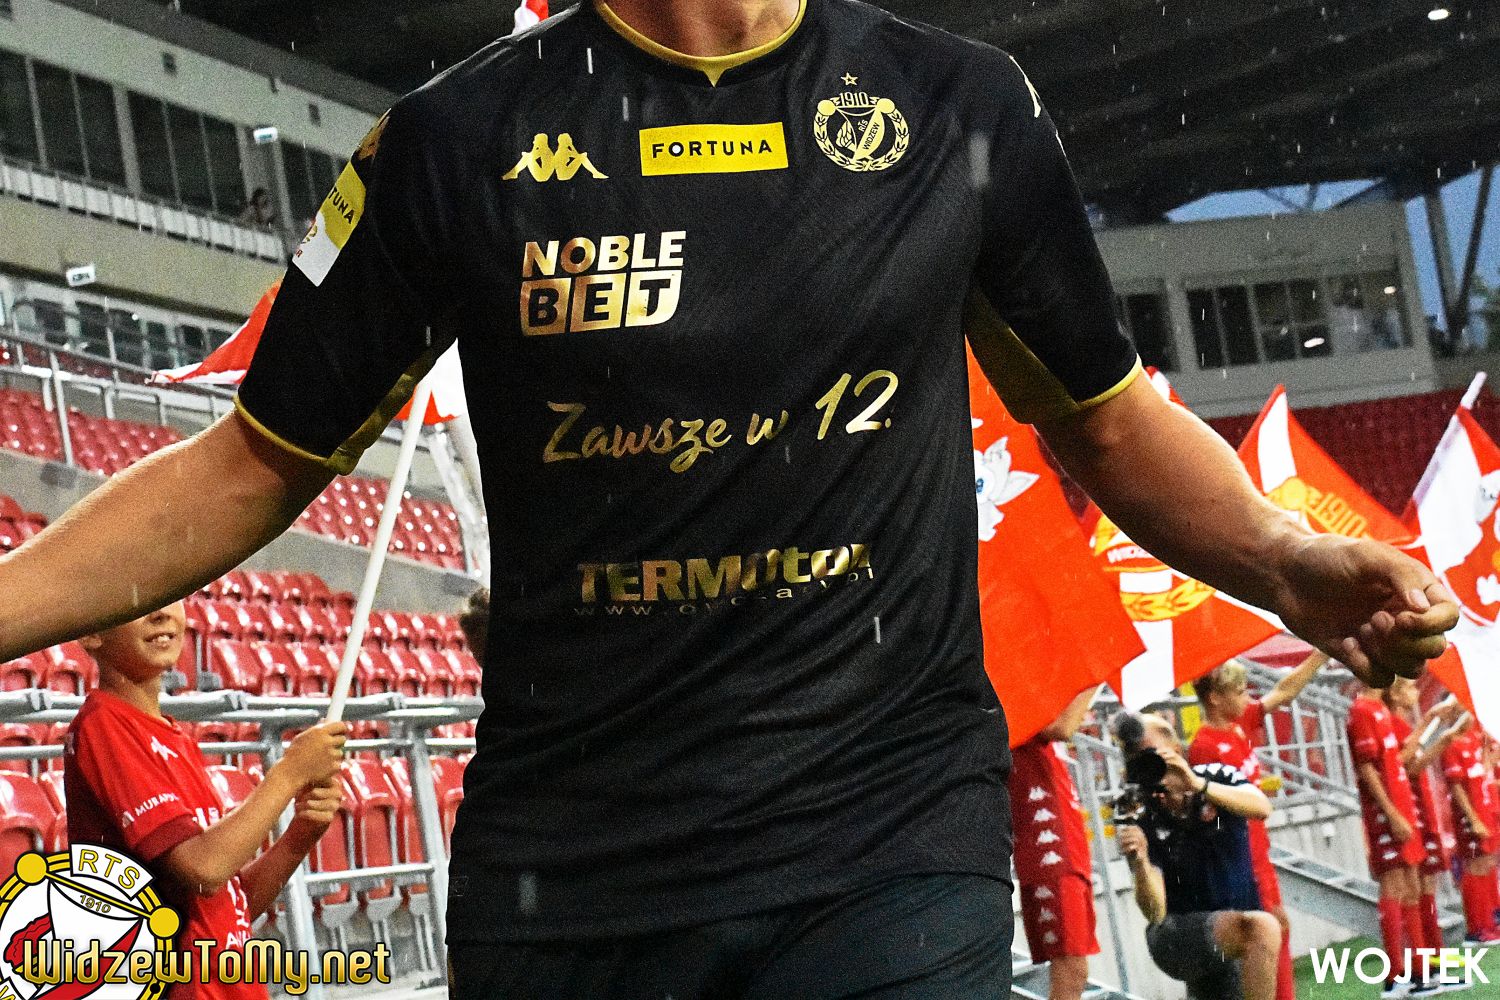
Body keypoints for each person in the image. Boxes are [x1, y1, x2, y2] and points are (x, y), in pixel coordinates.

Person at [0, 1, 1458, 996]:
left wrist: (1282, 557)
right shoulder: (458, 140)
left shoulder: (958, 107)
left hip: (888, 845)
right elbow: (251, 464)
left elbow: (1111, 420)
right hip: (575, 876)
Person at [63, 601, 347, 999]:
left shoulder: (175, 739)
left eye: (170, 597)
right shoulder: (105, 725)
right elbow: (204, 869)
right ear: (91, 633)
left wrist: (299, 838)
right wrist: (289, 773)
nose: (161, 613)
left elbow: (228, 908)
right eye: (138, 602)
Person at [1189, 651, 1328, 1000]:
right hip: (1239, 860)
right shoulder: (1204, 746)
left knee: (1276, 930)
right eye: (1238, 692)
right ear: (1214, 698)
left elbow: (1284, 691)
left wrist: (1321, 654)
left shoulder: (1239, 725)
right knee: (1268, 934)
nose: (1246, 698)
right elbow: (1210, 816)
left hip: (1258, 853)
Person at [1113, 713, 1281, 1000]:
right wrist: (1140, 863)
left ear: (1176, 750)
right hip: (1176, 933)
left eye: (1152, 754)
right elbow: (1155, 911)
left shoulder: (1216, 776)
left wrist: (1196, 783)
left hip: (1232, 923)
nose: (1148, 766)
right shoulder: (1137, 807)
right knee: (1262, 928)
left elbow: (1261, 807)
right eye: (1137, 759)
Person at [1349, 680, 1445, 995]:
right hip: (1388, 814)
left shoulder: (1377, 710)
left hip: (1405, 809)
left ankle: (1420, 971)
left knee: (1412, 889)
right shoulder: (1363, 710)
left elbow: (1396, 764)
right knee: (1395, 887)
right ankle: (1394, 977)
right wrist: (1391, 813)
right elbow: (1367, 769)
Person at [1008, 687, 1099, 1000]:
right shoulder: (1016, 697)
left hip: (1065, 850)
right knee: (1071, 969)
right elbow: (1061, 726)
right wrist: (1095, 676)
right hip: (1049, 853)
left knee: (1073, 969)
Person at [1384, 678, 1469, 981]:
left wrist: (1444, 736)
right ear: (1394, 695)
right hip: (1408, 811)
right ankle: (1416, 967)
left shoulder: (1401, 724)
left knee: (1425, 888)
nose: (1416, 692)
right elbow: (1405, 764)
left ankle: (1433, 959)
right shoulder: (1391, 724)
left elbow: (1414, 764)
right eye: (1409, 688)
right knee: (1413, 889)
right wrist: (1431, 723)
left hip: (1419, 809)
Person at [1442, 714, 1500, 946]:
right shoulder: (1453, 744)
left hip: (1485, 808)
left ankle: (1491, 921)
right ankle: (1477, 929)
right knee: (1475, 865)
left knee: (1487, 862)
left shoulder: (1476, 741)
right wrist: (1473, 818)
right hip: (1470, 815)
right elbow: (1456, 786)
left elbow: (1483, 775)